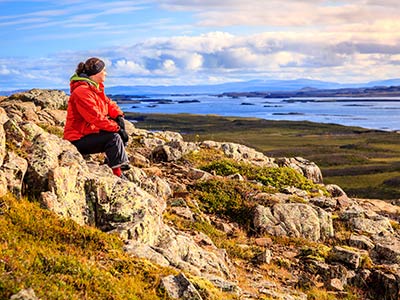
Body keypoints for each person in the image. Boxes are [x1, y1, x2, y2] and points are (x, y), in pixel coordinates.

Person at [63, 57, 130, 178]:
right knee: (113, 137)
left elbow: (108, 103)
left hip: (88, 133)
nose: (106, 73)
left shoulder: (95, 88)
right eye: (104, 70)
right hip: (77, 139)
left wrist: (118, 116)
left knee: (116, 134)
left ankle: (114, 164)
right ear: (96, 73)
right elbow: (95, 118)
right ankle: (117, 174)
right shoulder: (82, 92)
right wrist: (117, 128)